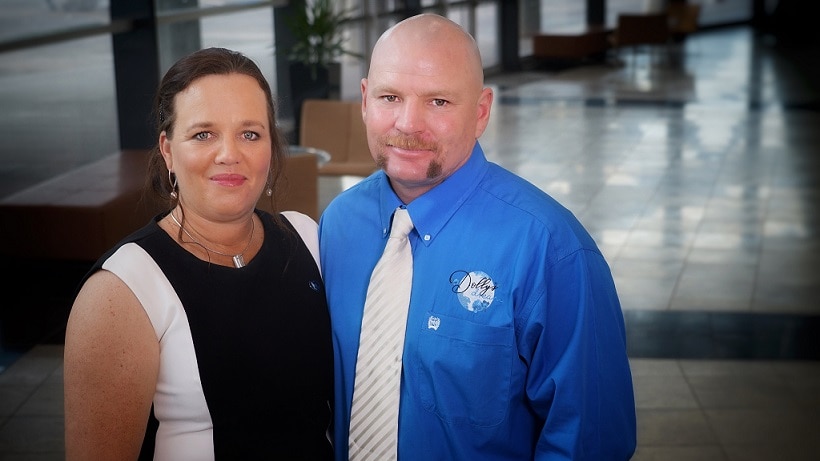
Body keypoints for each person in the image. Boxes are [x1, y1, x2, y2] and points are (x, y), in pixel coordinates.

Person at [319, 14, 636, 460]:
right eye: (391, 96)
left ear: (481, 111)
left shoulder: (552, 250)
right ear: (366, 100)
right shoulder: (338, 225)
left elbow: (590, 441)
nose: (408, 124)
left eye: (439, 102)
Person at [63, 47, 333, 460]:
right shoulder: (122, 293)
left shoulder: (307, 238)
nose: (229, 153)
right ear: (168, 150)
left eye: (250, 133)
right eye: (203, 134)